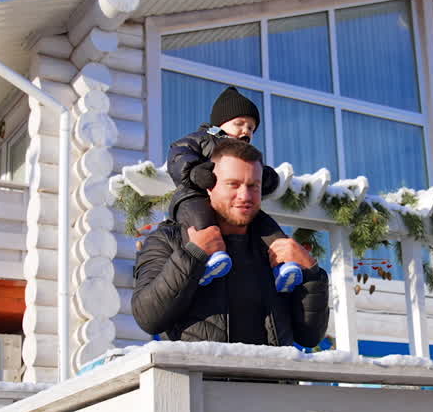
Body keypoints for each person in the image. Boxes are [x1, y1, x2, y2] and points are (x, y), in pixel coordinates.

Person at [132, 137, 330, 346]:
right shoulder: (170, 240)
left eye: (253, 186)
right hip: (200, 368)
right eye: (233, 184)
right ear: (210, 186)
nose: (245, 195)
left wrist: (312, 274)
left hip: (271, 368)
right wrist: (193, 255)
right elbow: (148, 318)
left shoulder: (277, 250)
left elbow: (309, 336)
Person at [166, 86, 303, 292]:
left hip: (234, 204)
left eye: (251, 128)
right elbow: (179, 154)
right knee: (199, 217)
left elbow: (261, 172)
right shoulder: (204, 139)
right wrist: (194, 172)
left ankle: (283, 264)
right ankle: (208, 259)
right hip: (194, 195)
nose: (246, 131)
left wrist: (265, 179)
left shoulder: (248, 155)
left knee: (263, 223)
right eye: (239, 124)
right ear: (219, 124)